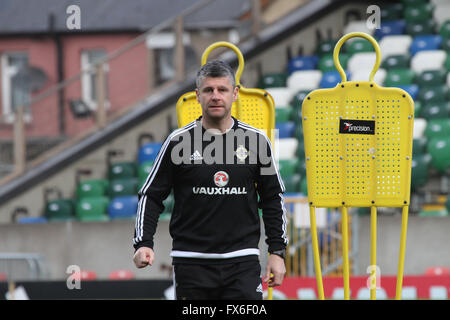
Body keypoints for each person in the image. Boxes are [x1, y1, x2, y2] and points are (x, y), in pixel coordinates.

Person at [133, 59, 288, 300]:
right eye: (209, 90)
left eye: (222, 90)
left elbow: (272, 198)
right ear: (198, 95)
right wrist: (143, 243)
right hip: (191, 264)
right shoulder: (178, 142)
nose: (215, 96)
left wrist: (277, 252)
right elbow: (151, 195)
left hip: (243, 263)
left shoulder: (257, 141)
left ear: (235, 94)